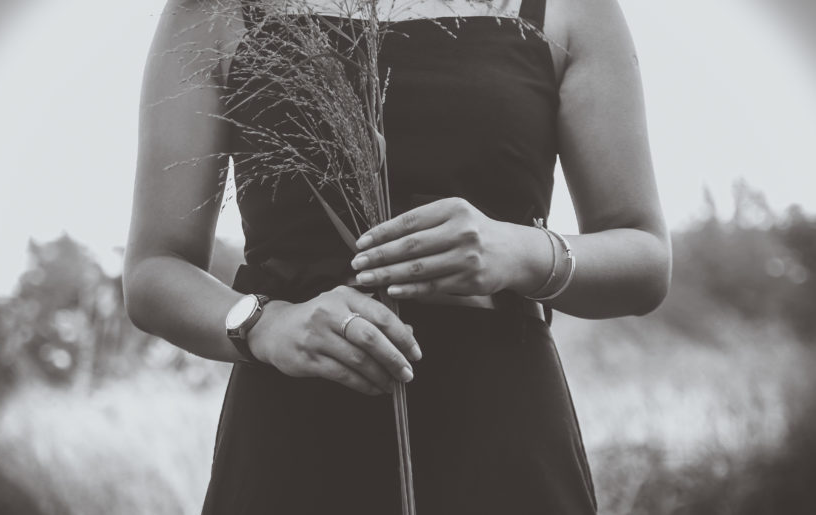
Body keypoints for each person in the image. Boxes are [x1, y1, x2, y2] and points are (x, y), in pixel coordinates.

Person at [123, 0, 671, 512]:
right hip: (292, 436)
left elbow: (644, 258)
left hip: (502, 432)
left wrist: (524, 252)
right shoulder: (211, 9)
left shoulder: (570, 8)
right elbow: (154, 269)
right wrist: (265, 324)